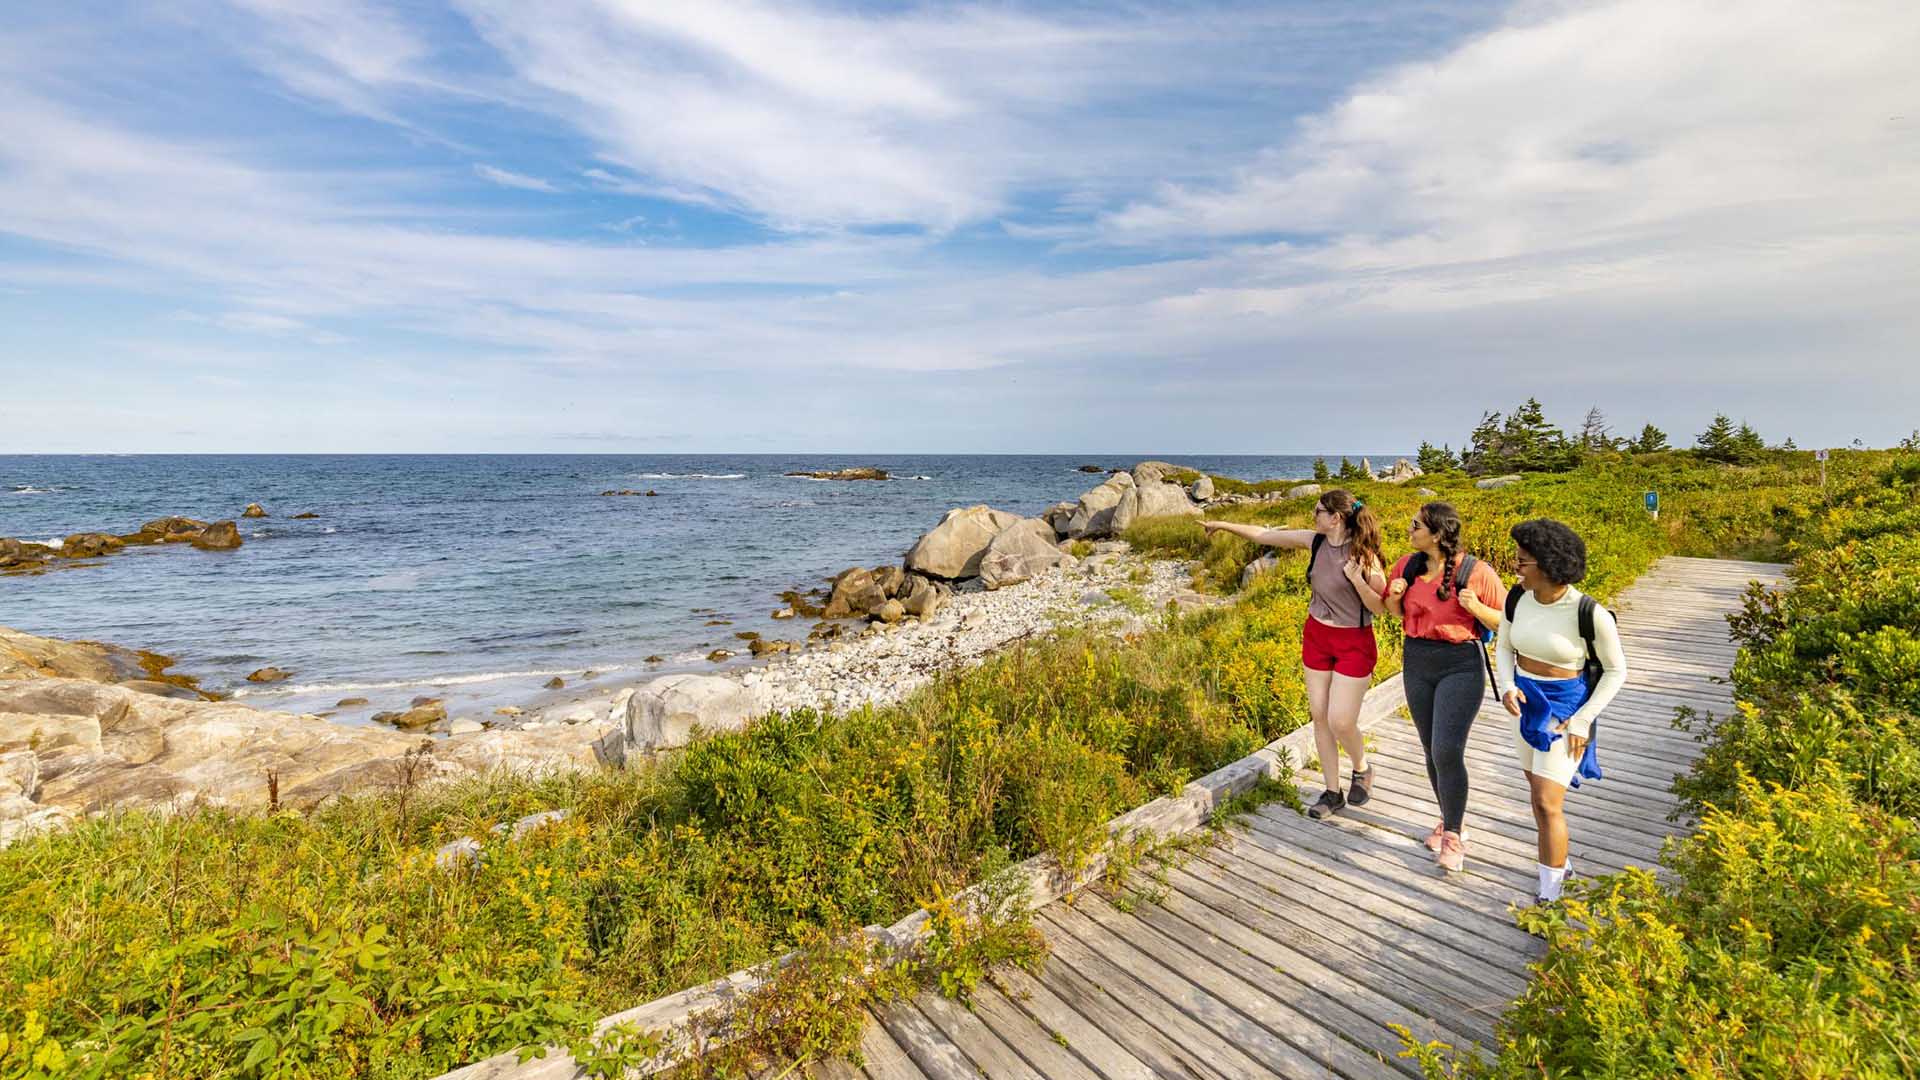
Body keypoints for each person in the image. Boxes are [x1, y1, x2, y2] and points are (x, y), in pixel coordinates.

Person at [1201, 489, 1387, 820]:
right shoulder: (1314, 541)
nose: (1312, 516)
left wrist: (1358, 581)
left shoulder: (1364, 555)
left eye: (1318, 511)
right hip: (1317, 636)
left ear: (1336, 518)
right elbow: (1265, 534)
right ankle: (1332, 793)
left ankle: (1362, 768)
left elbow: (1382, 607)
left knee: (1341, 721)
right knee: (1319, 716)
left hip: (1354, 641)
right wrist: (1220, 523)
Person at [1495, 518, 1628, 904]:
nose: (1515, 568)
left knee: (1547, 803)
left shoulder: (1590, 613)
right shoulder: (1516, 599)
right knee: (1536, 793)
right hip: (1524, 704)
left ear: (1549, 566)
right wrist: (1507, 686)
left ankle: (1550, 895)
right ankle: (1559, 865)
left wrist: (1584, 719)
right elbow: (1504, 647)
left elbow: (1617, 670)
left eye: (1523, 562)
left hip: (1567, 707)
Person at [1384, 502, 1505, 872]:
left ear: (1436, 533)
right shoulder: (1407, 566)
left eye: (1415, 524)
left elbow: (1506, 622)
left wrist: (1477, 610)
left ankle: (1453, 837)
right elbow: (1395, 614)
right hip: (1416, 660)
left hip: (1460, 665)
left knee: (1446, 750)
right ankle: (1450, 818)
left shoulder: (1477, 572)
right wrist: (1394, 595)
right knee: (1429, 749)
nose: (1409, 529)